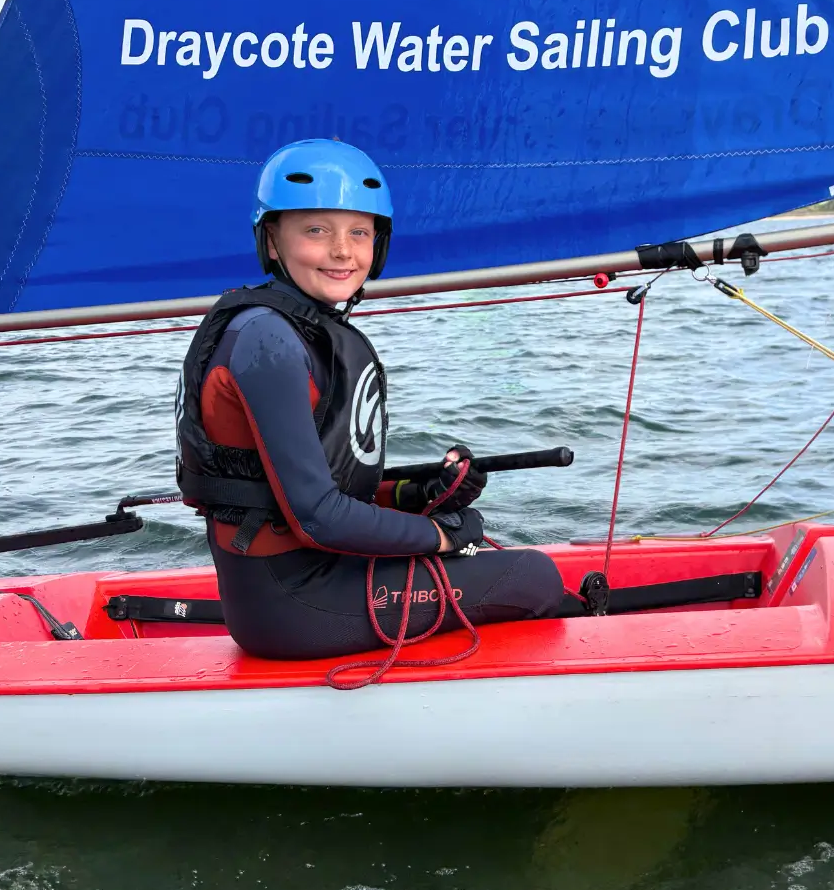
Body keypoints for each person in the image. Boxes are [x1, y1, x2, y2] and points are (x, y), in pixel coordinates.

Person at [175, 138, 566, 661]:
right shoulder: (268, 341)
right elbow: (319, 516)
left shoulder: (297, 332)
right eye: (317, 230)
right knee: (532, 575)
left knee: (501, 561)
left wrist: (416, 493)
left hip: (320, 575)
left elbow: (315, 487)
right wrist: (440, 536)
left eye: (359, 233)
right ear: (272, 241)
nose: (343, 251)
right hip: (292, 604)